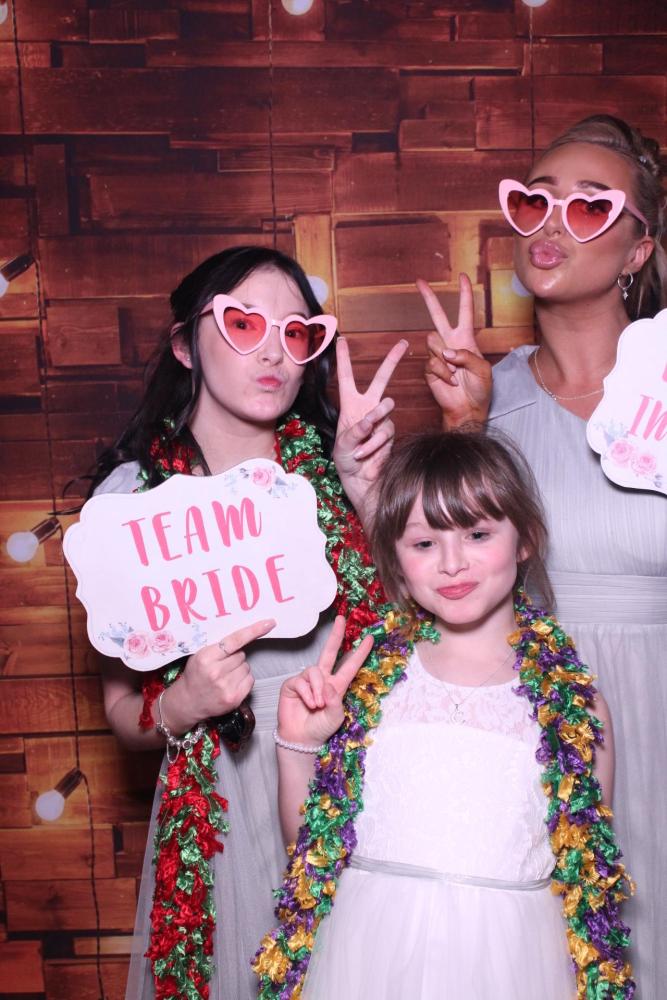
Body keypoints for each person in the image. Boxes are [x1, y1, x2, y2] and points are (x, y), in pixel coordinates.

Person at [89, 244, 407, 999]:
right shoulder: (130, 503)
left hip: (350, 777)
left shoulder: (337, 473)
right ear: (184, 345)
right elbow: (122, 714)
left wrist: (366, 493)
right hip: (221, 801)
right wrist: (183, 703)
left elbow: (419, 635)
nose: (272, 352)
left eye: (296, 333)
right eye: (242, 324)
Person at [422, 115, 666, 997]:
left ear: (638, 250)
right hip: (534, 729)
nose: (551, 223)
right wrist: (463, 428)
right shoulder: (486, 398)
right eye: (535, 201)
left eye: (589, 206)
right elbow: (446, 585)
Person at [255, 430, 632, 1000]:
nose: (453, 563)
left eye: (477, 534)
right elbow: (309, 853)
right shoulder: (367, 683)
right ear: (396, 559)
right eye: (425, 543)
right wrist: (298, 745)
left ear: (525, 539)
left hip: (512, 965)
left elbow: (589, 887)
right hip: (367, 956)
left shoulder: (575, 708)